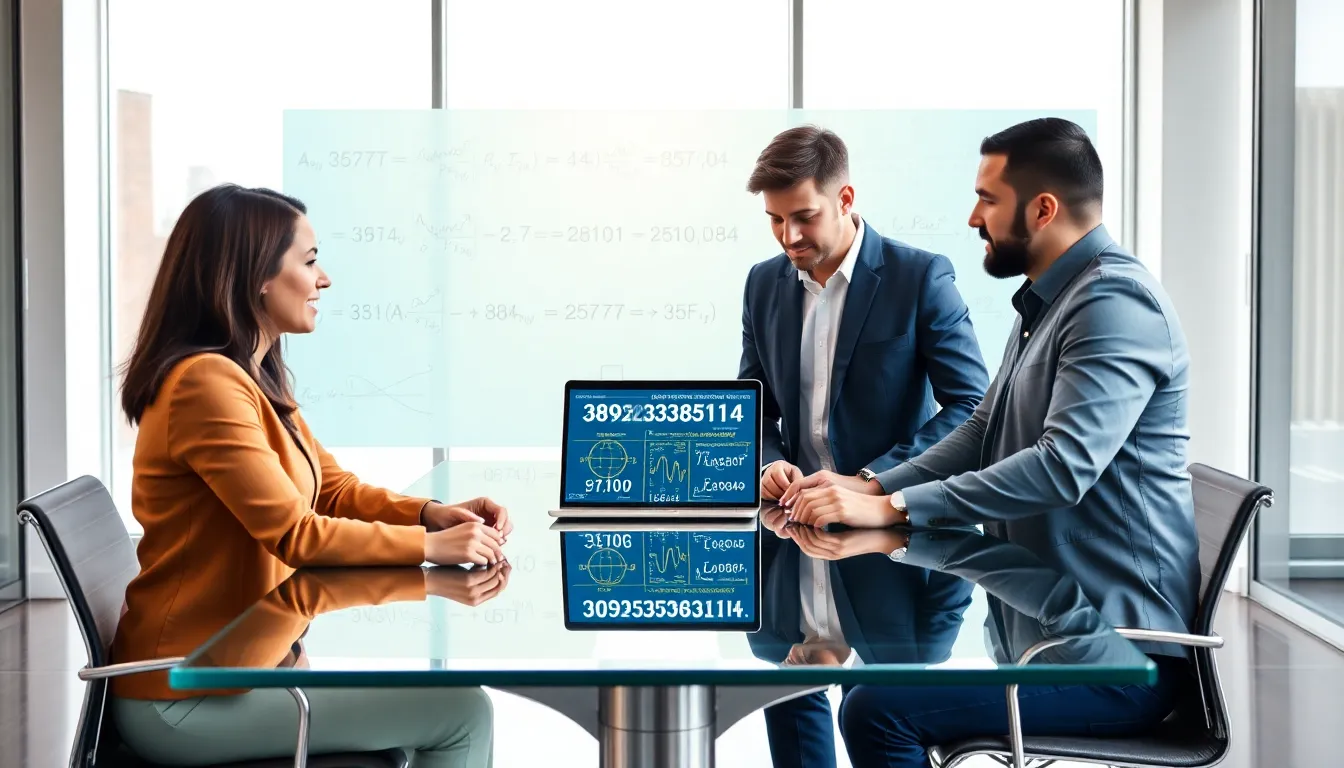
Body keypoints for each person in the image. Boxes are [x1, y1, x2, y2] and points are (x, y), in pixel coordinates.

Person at [780, 118, 1199, 767]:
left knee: (875, 708)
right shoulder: (1050, 303)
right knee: (876, 684)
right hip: (1050, 623)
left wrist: (892, 512)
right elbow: (984, 431)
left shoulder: (1115, 301)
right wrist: (871, 487)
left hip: (1117, 659)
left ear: (1043, 209)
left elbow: (1064, 467)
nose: (974, 217)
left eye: (988, 199)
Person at [108, 184, 507, 767]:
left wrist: (428, 514)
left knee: (428, 710)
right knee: (462, 713)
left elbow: (333, 487)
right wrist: (431, 547)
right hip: (181, 699)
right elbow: (295, 535)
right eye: (311, 260)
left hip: (247, 664)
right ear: (256, 277)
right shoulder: (206, 385)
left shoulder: (251, 374)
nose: (325, 280)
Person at [738, 126, 989, 768]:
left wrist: (869, 481)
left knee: (881, 726)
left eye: (803, 217)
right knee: (787, 695)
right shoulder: (764, 285)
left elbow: (973, 408)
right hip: (793, 542)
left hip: (898, 550)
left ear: (845, 197)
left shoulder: (919, 277)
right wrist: (769, 460)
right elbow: (752, 404)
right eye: (774, 220)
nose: (789, 237)